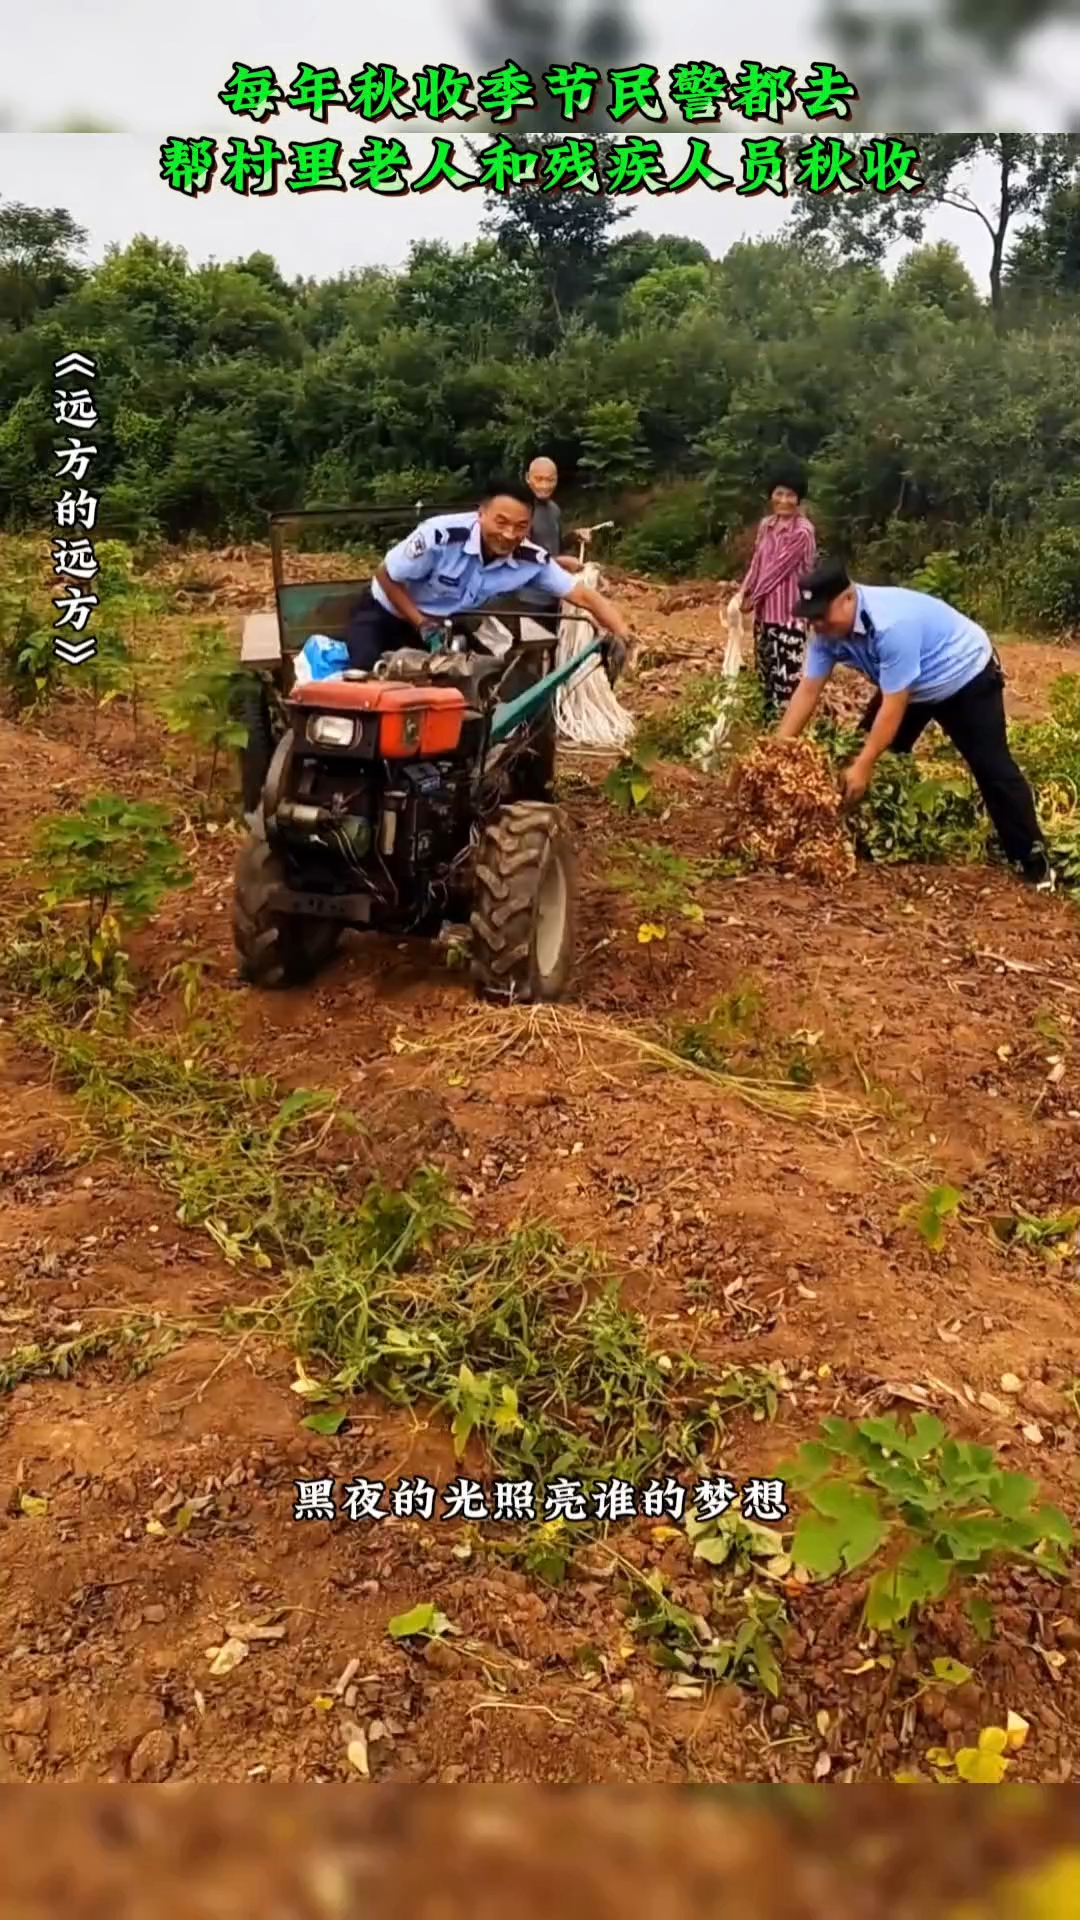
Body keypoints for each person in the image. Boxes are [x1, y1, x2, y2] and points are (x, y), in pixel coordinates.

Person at [778, 558, 1055, 888]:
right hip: (911, 685)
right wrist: (776, 748)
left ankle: (1034, 864)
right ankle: (864, 837)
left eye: (822, 615)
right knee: (861, 754)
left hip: (964, 676)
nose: (817, 625)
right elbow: (808, 691)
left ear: (848, 598)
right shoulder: (825, 634)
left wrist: (865, 764)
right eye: (811, 617)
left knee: (992, 768)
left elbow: (894, 705)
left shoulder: (891, 625)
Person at [346, 477, 631, 676]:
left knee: (447, 697)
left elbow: (583, 596)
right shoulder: (440, 536)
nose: (509, 534)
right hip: (384, 615)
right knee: (365, 684)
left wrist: (623, 634)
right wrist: (422, 623)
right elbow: (385, 575)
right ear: (481, 514)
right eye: (501, 522)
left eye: (520, 526)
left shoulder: (530, 560)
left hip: (438, 630)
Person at [738, 461, 817, 716]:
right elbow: (758, 562)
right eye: (779, 493)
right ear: (771, 495)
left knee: (786, 684)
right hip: (765, 616)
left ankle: (785, 733)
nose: (784, 500)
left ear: (798, 499)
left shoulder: (802, 532)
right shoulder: (766, 526)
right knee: (765, 679)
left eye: (790, 495)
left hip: (790, 618)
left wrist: (753, 596)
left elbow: (777, 570)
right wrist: (743, 591)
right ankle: (764, 730)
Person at [505, 455, 589, 638]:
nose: (544, 485)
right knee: (531, 648)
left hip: (554, 595)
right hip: (527, 598)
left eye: (550, 480)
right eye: (539, 479)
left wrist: (573, 537)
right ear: (528, 478)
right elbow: (520, 554)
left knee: (551, 647)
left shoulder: (554, 510)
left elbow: (553, 546)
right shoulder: (520, 510)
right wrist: (562, 562)